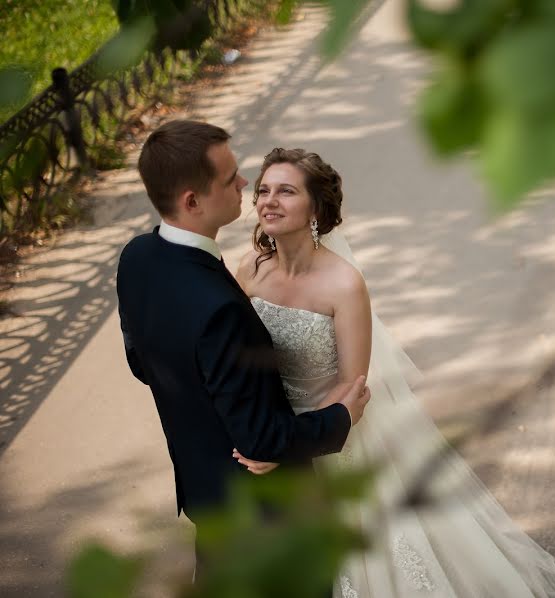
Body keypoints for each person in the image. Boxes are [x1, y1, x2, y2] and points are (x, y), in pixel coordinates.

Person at [234, 147, 555, 597]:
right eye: (263, 191)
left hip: (333, 437)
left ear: (315, 207)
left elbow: (353, 388)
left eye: (286, 191)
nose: (268, 201)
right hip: (272, 429)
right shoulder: (251, 270)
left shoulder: (344, 284)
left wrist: (287, 444)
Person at [115, 121, 371, 582]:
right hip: (262, 508)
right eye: (232, 178)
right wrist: (331, 422)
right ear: (193, 200)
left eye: (285, 190)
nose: (247, 187)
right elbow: (260, 440)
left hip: (206, 488)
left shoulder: (137, 257)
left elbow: (143, 360)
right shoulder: (224, 298)